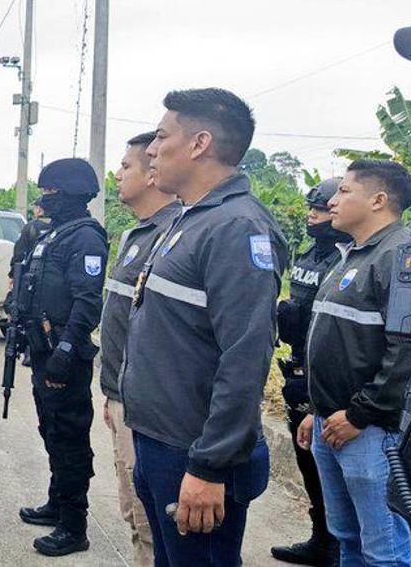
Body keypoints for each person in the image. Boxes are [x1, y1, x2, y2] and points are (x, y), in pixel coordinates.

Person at [122, 88, 288, 566]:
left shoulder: (237, 227)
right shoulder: (191, 218)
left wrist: (209, 465)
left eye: (161, 137)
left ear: (199, 144)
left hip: (193, 452)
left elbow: (245, 355)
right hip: (160, 440)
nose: (152, 150)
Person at [297, 160, 411, 566]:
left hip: (367, 430)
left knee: (383, 549)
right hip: (331, 422)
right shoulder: (351, 256)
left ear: (379, 200)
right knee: (347, 537)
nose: (332, 201)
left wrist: (359, 414)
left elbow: (404, 352)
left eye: (344, 191)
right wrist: (317, 410)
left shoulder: (401, 258)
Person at [13, 158, 107, 557]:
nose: (45, 199)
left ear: (70, 194)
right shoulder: (53, 235)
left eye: (51, 192)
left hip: (64, 355)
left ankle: (74, 524)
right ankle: (56, 502)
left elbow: (87, 303)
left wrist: (65, 353)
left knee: (69, 437)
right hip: (43, 350)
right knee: (50, 429)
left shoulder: (86, 238)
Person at [97, 132, 179, 566]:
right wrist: (112, 392)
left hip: (149, 406)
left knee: (151, 520)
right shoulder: (135, 234)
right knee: (134, 510)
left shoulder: (173, 235)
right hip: (123, 396)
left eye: (126, 166)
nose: (117, 174)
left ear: (152, 173)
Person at [270, 177, 347, 565]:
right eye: (310, 208)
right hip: (298, 370)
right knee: (307, 462)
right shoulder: (309, 255)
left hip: (326, 381)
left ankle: (338, 545)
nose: (311, 216)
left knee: (328, 468)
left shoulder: (344, 259)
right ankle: (321, 538)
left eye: (319, 209)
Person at [10, 197, 53, 277]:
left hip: (33, 273)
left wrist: (13, 274)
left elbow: (19, 254)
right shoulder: (58, 227)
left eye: (34, 208)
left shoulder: (30, 227)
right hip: (53, 274)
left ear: (39, 209)